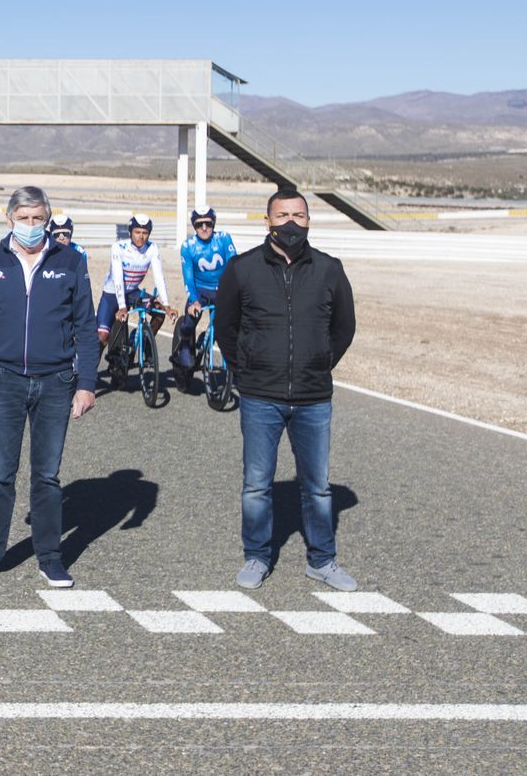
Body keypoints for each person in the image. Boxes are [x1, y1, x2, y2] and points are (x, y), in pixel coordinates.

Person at [0, 186, 99, 589]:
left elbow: (85, 327)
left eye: (39, 219)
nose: (32, 226)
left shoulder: (71, 261)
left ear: (48, 220)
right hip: (3, 382)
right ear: (9, 219)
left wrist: (86, 383)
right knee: (0, 475)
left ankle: (50, 557)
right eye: (24, 218)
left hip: (56, 382)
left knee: (47, 476)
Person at [216, 189, 358, 592]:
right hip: (260, 396)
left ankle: (322, 560)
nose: (290, 223)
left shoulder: (330, 269)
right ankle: (257, 557)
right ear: (267, 221)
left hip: (313, 398)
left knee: (317, 486)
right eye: (282, 215)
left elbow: (344, 328)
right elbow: (227, 327)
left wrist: (318, 362)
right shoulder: (242, 269)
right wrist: (246, 369)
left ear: (309, 221)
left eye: (298, 215)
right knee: (257, 484)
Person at [172, 206, 237, 385]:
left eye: (208, 223)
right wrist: (193, 301)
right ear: (194, 226)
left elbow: (234, 266)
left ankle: (206, 338)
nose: (204, 228)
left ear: (213, 223)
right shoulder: (188, 246)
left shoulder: (224, 239)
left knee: (223, 325)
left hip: (222, 290)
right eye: (199, 225)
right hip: (199, 291)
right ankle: (185, 343)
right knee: (190, 320)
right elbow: (188, 278)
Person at [97, 213, 175, 358]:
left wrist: (166, 304)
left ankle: (144, 340)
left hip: (133, 292)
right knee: (102, 336)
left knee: (159, 313)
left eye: (145, 233)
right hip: (112, 294)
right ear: (131, 232)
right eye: (137, 232)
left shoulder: (152, 248)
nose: (141, 236)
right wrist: (122, 306)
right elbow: (118, 278)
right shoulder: (118, 247)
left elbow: (159, 276)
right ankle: (89, 374)